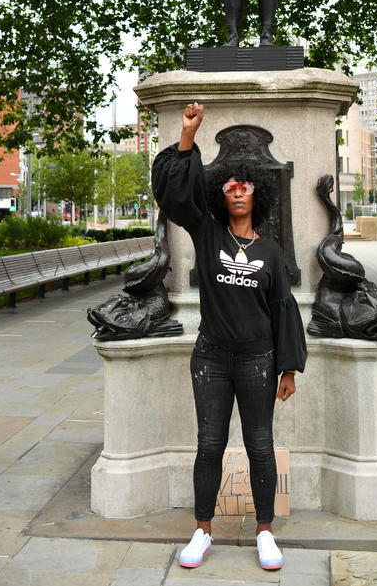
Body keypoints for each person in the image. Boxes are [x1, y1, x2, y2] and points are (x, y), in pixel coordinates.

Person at [152, 102, 307, 571]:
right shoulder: (208, 233)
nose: (237, 190)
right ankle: (202, 531)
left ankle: (264, 533)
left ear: (256, 196)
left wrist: (289, 366)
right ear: (224, 196)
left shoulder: (272, 253)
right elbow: (176, 198)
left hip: (258, 360)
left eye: (245, 185)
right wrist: (186, 134)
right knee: (209, 444)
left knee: (260, 444)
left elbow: (284, 309)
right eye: (230, 185)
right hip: (212, 359)